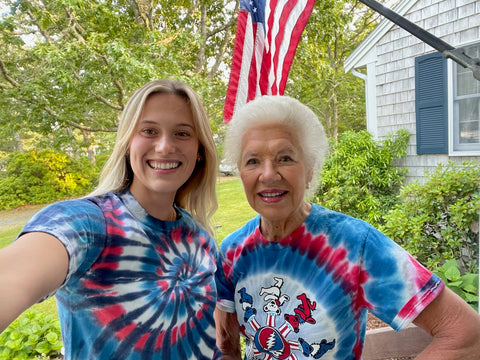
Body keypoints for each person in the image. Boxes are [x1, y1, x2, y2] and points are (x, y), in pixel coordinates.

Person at [214, 95, 480, 360]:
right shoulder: (233, 250)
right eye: (253, 161)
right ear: (241, 173)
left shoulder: (354, 244)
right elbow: (226, 347)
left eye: (285, 158)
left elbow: (466, 334)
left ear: (309, 169)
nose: (269, 174)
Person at [0, 79, 222, 359]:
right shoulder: (88, 224)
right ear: (128, 144)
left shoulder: (199, 236)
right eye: (149, 131)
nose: (165, 146)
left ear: (199, 150)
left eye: (182, 133)